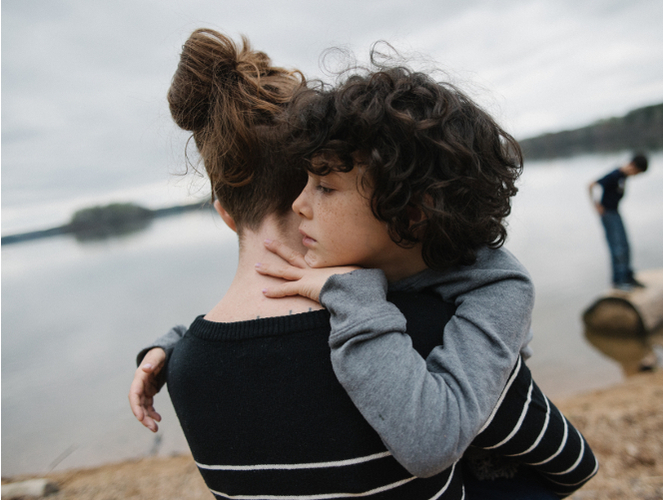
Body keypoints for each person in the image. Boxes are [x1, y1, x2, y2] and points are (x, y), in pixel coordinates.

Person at [130, 36, 597, 498]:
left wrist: (188, 350)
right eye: (305, 183)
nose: (301, 203)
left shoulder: (466, 304)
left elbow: (551, 462)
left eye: (324, 187)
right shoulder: (399, 295)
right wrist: (171, 344)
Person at [588, 153, 649, 291]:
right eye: (637, 172)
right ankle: (618, 281)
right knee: (617, 247)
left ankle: (627, 276)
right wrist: (595, 205)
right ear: (633, 166)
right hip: (608, 214)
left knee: (625, 245)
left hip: (615, 213)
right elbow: (591, 185)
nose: (636, 175)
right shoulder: (615, 174)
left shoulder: (623, 176)